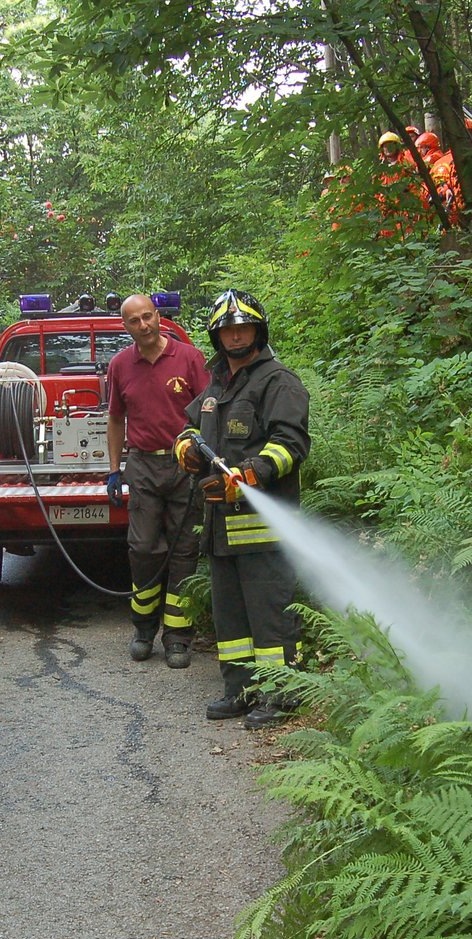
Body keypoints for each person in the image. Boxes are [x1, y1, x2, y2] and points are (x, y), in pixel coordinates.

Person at [174, 290, 310, 729]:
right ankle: (240, 690)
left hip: (263, 528)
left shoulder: (278, 381)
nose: (236, 335)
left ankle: (281, 693)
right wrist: (186, 449)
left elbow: (290, 446)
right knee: (230, 616)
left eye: (244, 327)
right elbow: (191, 428)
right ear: (217, 336)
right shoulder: (217, 386)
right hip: (220, 528)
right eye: (228, 329)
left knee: (270, 613)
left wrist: (246, 476)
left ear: (258, 331)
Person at [105, 293, 210, 668]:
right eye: (134, 321)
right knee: (144, 548)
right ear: (126, 326)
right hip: (143, 467)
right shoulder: (119, 365)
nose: (143, 325)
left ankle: (178, 638)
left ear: (158, 317)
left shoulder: (189, 358)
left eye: (148, 316)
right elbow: (116, 419)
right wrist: (115, 469)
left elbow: (209, 412)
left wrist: (208, 461)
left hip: (186, 467)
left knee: (184, 552)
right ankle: (143, 629)